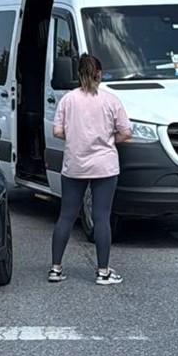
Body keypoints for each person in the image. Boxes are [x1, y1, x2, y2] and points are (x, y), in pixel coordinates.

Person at [49, 53, 131, 285]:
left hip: (74, 164)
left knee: (66, 215)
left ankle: (56, 268)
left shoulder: (68, 100)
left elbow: (57, 131)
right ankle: (103, 271)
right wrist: (107, 138)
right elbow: (126, 133)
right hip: (104, 165)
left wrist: (75, 136)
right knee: (101, 217)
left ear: (78, 74)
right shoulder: (111, 101)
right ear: (99, 74)